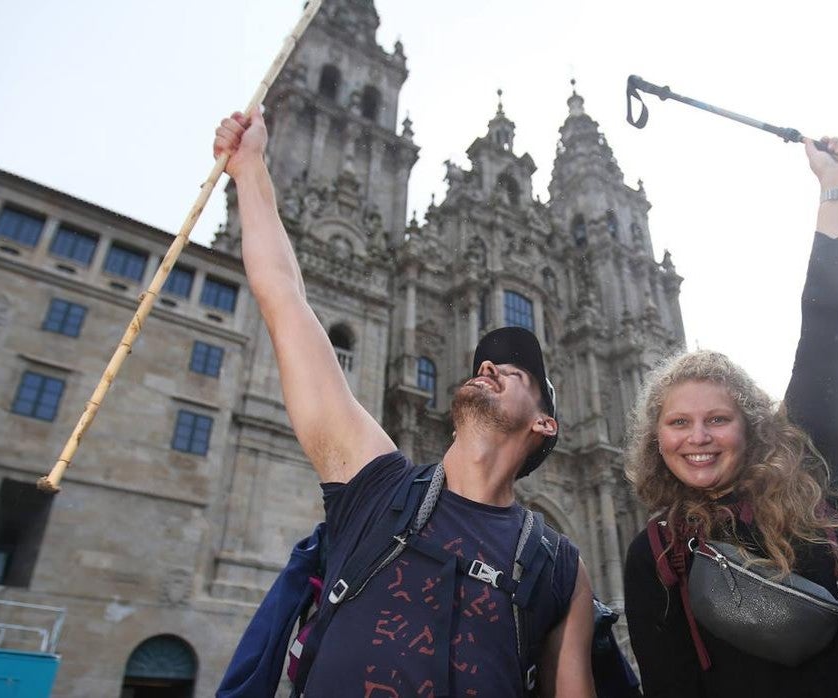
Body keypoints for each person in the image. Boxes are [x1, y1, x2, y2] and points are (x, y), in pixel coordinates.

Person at [214, 108, 597, 697]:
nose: (487, 365)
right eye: (481, 364)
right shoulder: (375, 486)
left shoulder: (561, 567)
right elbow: (285, 300)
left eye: (513, 369)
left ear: (546, 421)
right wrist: (252, 171)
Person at [621, 137, 838, 696]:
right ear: (656, 440)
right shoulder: (658, 553)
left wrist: (836, 188)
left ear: (751, 425)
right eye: (678, 423)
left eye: (718, 419)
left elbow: (826, 328)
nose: (697, 437)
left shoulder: (815, 478)